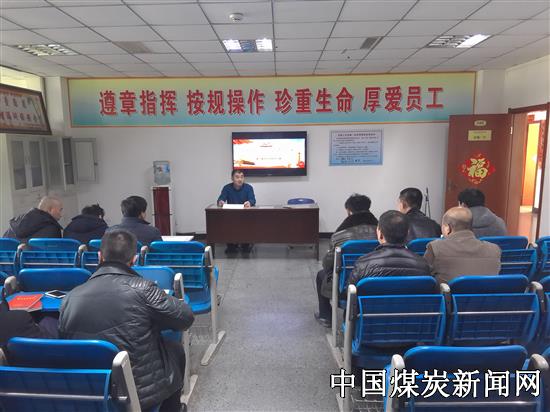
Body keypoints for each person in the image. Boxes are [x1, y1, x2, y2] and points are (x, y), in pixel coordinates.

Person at [58, 230, 194, 412]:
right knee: (174, 349)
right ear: (134, 259)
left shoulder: (70, 297)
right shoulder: (143, 289)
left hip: (89, 394)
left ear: (99, 256)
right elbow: (185, 318)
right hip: (137, 396)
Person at [314, 194, 378, 327]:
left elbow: (328, 264)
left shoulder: (340, 235)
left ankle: (326, 317)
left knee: (321, 275)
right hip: (377, 280)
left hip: (346, 284)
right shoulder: (381, 232)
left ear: (349, 211)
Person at [348, 210, 430, 288]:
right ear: (407, 234)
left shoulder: (362, 264)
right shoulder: (423, 265)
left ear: (380, 234)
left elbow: (349, 293)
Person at [424, 207, 501, 284]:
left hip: (449, 292)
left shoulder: (435, 248)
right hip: (487, 292)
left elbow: (424, 276)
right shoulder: (494, 250)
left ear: (448, 228)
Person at [217, 169, 256, 254]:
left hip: (245, 215)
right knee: (226, 222)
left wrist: (249, 202)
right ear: (232, 178)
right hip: (231, 215)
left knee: (247, 223)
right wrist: (221, 202)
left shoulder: (248, 188)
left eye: (242, 177)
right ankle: (231, 245)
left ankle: (245, 245)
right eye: (237, 177)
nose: (240, 179)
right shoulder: (227, 188)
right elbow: (221, 199)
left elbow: (253, 200)